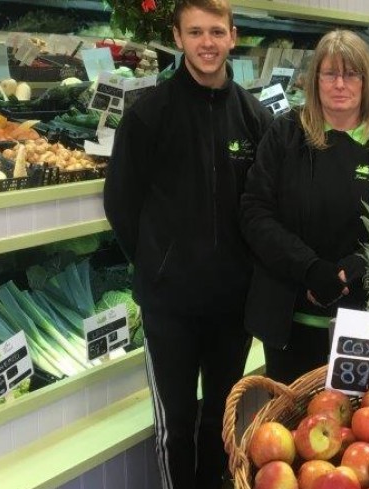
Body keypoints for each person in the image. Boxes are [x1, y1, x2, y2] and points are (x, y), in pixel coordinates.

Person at [102, 1, 271, 487]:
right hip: (169, 307)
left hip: (232, 306)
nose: (207, 43)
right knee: (175, 427)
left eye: (216, 31)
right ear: (177, 37)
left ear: (233, 36)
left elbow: (263, 208)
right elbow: (120, 202)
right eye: (195, 32)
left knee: (220, 420)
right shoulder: (148, 116)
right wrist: (158, 262)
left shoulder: (254, 117)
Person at [242, 30, 369, 384]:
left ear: (366, 81)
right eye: (330, 74)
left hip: (367, 323)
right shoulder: (286, 134)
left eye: (351, 74)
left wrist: (355, 268)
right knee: (288, 429)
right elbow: (255, 211)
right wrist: (309, 268)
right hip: (288, 322)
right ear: (315, 80)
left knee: (362, 430)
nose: (339, 84)